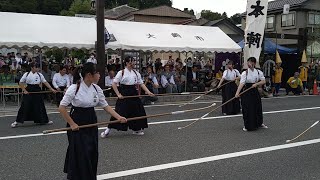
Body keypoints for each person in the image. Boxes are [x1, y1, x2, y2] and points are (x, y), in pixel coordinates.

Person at [58, 62, 126, 180]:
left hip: (91, 120)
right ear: (89, 75)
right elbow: (62, 108)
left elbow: (106, 106)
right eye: (97, 72)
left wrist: (119, 117)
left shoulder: (96, 88)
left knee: (91, 151)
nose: (99, 75)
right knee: (80, 152)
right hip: (77, 120)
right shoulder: (74, 88)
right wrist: (72, 124)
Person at [101, 56, 154, 137]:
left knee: (137, 111)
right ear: (126, 63)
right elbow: (114, 84)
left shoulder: (136, 73)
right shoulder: (121, 72)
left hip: (133, 92)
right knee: (119, 111)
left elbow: (141, 84)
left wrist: (148, 92)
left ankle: (136, 129)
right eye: (130, 62)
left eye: (133, 62)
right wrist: (118, 94)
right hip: (124, 93)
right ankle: (108, 129)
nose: (132, 63)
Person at [11, 63, 56, 128]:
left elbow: (45, 82)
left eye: (38, 67)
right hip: (29, 90)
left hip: (37, 90)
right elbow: (20, 83)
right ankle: (17, 121)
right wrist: (24, 90)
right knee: (25, 105)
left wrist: (52, 89)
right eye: (36, 67)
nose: (37, 69)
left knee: (40, 105)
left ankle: (45, 120)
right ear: (32, 68)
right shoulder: (26, 74)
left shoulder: (39, 75)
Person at [235, 57, 267, 131]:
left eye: (250, 62)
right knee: (247, 108)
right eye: (248, 62)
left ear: (254, 63)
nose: (249, 64)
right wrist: (237, 93)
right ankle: (248, 126)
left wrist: (257, 84)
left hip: (255, 91)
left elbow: (263, 81)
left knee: (257, 107)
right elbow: (241, 84)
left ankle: (259, 123)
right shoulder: (245, 73)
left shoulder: (258, 72)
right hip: (246, 91)